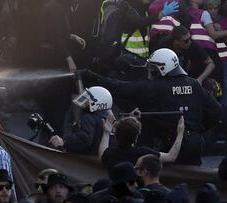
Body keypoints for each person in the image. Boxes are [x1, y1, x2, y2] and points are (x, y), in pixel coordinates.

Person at [89, 48, 222, 165]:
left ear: (163, 68)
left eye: (153, 68)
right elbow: (217, 111)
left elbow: (122, 88)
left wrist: (92, 76)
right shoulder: (194, 84)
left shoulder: (156, 86)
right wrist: (197, 129)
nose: (150, 71)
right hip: (195, 143)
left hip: (169, 144)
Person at [100, 115, 184, 171]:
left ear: (115, 134)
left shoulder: (110, 154)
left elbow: (102, 154)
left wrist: (106, 132)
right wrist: (180, 133)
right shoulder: (142, 153)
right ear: (136, 137)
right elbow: (171, 157)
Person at [48, 86, 114, 154]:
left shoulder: (88, 118)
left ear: (97, 103)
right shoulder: (108, 119)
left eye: (88, 101)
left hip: (84, 158)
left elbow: (84, 139)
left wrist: (64, 141)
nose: (85, 102)